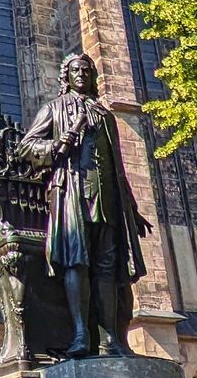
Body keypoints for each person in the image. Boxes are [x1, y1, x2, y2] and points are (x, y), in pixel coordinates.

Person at [18, 52, 152, 357]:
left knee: (107, 267)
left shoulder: (105, 116)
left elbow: (117, 166)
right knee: (76, 261)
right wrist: (57, 144)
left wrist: (132, 209)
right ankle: (80, 335)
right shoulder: (54, 109)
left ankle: (110, 338)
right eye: (76, 70)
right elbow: (27, 147)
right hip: (72, 193)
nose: (82, 75)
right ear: (66, 76)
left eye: (87, 71)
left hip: (107, 199)